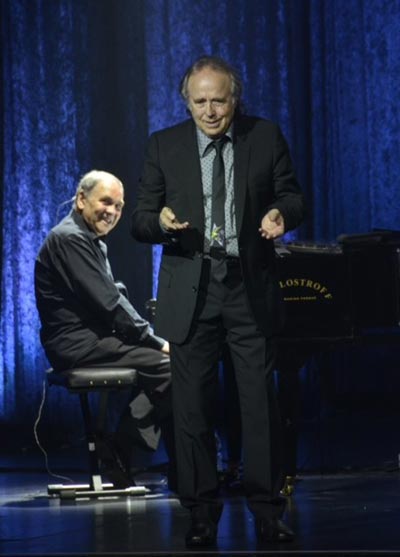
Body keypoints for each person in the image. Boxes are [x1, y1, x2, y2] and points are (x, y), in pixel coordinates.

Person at [131, 55, 304, 546]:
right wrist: (160, 223)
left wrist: (278, 213)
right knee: (192, 410)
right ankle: (201, 514)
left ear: (235, 99)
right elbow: (140, 218)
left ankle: (269, 513)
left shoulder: (264, 136)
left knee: (259, 407)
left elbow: (294, 197)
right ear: (187, 102)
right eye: (200, 101)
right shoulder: (164, 145)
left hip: (248, 288)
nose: (210, 111)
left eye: (219, 101)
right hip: (193, 289)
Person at [35, 170, 176, 489]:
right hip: (77, 344)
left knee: (171, 369)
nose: (112, 212)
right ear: (82, 199)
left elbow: (108, 296)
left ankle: (120, 448)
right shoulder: (70, 238)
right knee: (174, 366)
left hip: (91, 339)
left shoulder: (85, 238)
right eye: (106, 202)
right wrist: (155, 342)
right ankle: (117, 448)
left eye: (119, 206)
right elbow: (109, 303)